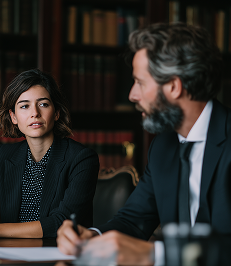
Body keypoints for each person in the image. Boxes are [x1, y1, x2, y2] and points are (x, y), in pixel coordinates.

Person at [56, 22, 231, 265]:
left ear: (173, 86)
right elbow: (133, 220)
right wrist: (90, 237)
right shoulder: (163, 147)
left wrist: (155, 255)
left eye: (140, 82)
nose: (132, 95)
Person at [0, 69, 99, 239]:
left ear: (57, 113)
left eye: (43, 104)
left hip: (59, 255)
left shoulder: (81, 158)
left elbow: (62, 223)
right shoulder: (6, 156)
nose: (35, 113)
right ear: (13, 117)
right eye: (24, 106)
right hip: (12, 254)